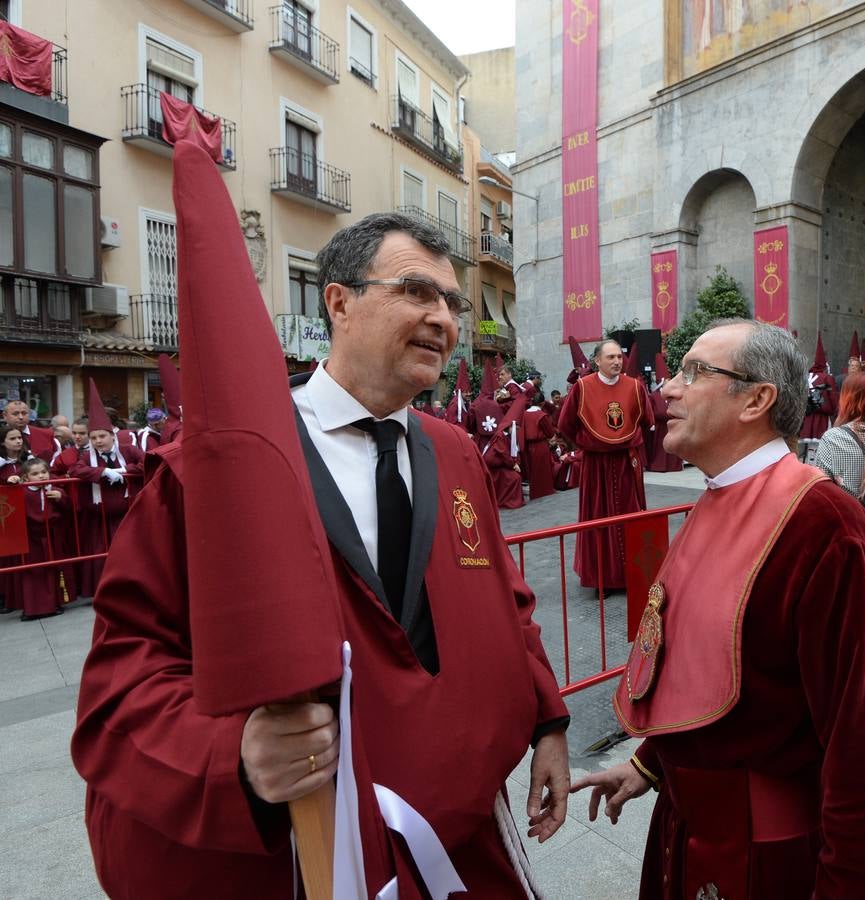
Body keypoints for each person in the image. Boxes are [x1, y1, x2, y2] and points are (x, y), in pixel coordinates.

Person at [72, 191, 570, 896]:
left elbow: (506, 603)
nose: (443, 318)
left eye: (452, 303)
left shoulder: (456, 453)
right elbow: (121, 677)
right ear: (338, 303)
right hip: (316, 859)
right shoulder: (214, 471)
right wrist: (236, 759)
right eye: (416, 291)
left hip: (455, 848)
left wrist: (549, 719)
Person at [571, 320, 865, 898]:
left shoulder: (826, 529)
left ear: (757, 399)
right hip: (687, 828)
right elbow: (715, 673)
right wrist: (651, 763)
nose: (668, 390)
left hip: (767, 857)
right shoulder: (719, 495)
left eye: (695, 372)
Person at [557, 338, 654, 592]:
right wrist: (585, 443)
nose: (616, 362)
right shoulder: (582, 387)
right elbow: (565, 424)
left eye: (619, 357)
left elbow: (647, 419)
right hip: (596, 464)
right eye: (610, 357)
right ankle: (602, 578)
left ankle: (633, 573)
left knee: (631, 517)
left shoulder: (635, 386)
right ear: (597, 361)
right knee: (597, 517)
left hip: (625, 461)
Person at [68, 385, 144, 598]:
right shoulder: (87, 456)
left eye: (102, 436)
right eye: (93, 438)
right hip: (99, 518)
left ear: (112, 435)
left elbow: (148, 463)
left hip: (126, 515)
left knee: (129, 551)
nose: (98, 441)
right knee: (101, 555)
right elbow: (75, 470)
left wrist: (123, 470)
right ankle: (103, 589)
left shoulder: (128, 450)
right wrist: (102, 472)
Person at [14, 457, 71, 621]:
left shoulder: (54, 489)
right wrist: (13, 482)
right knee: (33, 572)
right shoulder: (23, 491)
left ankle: (54, 604)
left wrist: (60, 498)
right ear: (26, 477)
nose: (41, 476)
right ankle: (33, 608)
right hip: (32, 538)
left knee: (53, 570)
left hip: (51, 535)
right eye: (35, 474)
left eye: (44, 472)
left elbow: (68, 507)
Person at [644, 353, 684, 473]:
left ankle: (673, 465)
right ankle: (658, 465)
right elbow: (655, 412)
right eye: (666, 380)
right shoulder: (654, 396)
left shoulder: (674, 394)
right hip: (660, 428)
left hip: (671, 424)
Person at [799, 333, 837, 440]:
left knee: (804, 447)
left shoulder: (805, 376)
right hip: (822, 420)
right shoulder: (827, 378)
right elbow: (833, 401)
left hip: (805, 419)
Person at [522, 393, 559, 498]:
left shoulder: (525, 414)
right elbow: (550, 432)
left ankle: (535, 492)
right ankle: (546, 490)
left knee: (533, 471)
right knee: (544, 469)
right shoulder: (541, 415)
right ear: (542, 403)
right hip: (540, 445)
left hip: (529, 446)